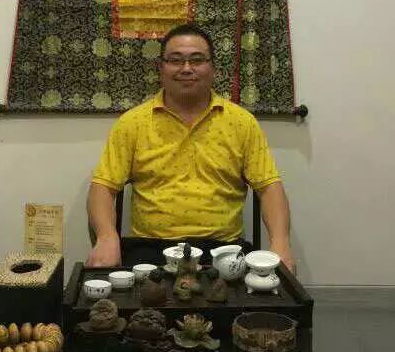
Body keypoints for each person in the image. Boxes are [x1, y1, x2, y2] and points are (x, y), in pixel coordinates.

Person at [86, 23, 295, 271]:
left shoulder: (242, 122)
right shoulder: (133, 123)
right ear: (161, 68)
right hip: (150, 249)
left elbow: (269, 187)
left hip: (223, 250)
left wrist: (280, 243)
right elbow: (103, 186)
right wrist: (106, 237)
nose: (186, 68)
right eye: (175, 60)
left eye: (197, 60)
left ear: (213, 68)